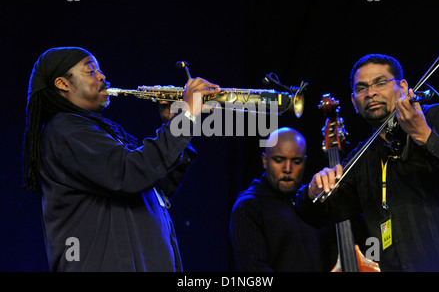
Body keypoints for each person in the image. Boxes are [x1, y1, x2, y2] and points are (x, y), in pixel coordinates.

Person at [22, 46, 221, 271]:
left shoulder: (93, 129)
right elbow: (132, 175)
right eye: (90, 71)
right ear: (63, 84)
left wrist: (174, 125)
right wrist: (186, 118)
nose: (102, 76)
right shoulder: (65, 130)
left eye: (99, 70)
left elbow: (153, 187)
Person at [297, 54, 439, 272]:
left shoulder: (437, 118)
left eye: (380, 83)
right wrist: (312, 192)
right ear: (354, 102)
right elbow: (316, 215)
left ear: (403, 87)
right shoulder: (363, 158)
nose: (371, 93)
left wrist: (425, 136)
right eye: (361, 88)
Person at [229, 127, 326, 271]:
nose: (288, 168)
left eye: (296, 161)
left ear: (304, 162)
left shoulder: (312, 201)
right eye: (279, 160)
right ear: (265, 160)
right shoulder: (248, 206)